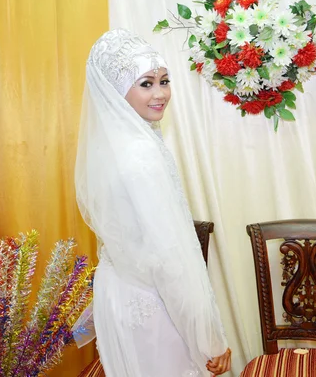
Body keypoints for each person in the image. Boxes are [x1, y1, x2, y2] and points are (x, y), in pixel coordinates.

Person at [75, 28, 231, 377]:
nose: (160, 94)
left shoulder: (109, 147)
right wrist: (209, 340)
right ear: (115, 90)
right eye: (146, 83)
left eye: (164, 80)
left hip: (118, 297)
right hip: (154, 309)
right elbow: (169, 262)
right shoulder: (142, 156)